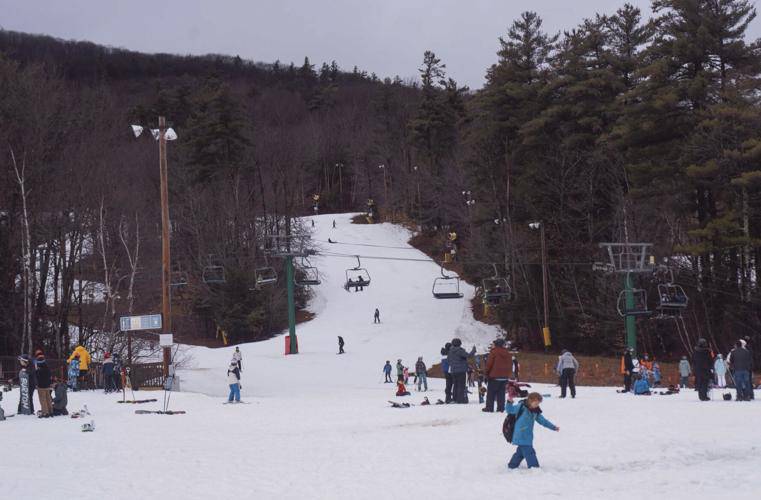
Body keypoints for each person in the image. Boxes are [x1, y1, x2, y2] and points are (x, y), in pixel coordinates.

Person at [505, 392, 559, 469]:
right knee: (529, 452)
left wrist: (553, 427)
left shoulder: (535, 412)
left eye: (538, 404)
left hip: (528, 435)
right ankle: (534, 467)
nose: (537, 405)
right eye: (536, 403)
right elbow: (510, 410)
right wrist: (509, 402)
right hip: (520, 434)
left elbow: (543, 421)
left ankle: (512, 465)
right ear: (530, 401)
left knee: (520, 452)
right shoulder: (521, 407)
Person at [483, 338, 512, 413]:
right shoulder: (508, 353)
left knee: (491, 393)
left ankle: (489, 408)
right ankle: (501, 408)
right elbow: (510, 365)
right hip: (504, 377)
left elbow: (489, 364)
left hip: (494, 376)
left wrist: (486, 373)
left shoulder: (493, 352)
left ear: (496, 344)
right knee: (501, 393)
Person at [447, 338, 476, 404]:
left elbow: (448, 360)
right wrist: (473, 350)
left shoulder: (450, 351)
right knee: (461, 385)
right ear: (459, 343)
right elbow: (469, 356)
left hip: (453, 370)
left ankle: (455, 399)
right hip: (461, 370)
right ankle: (460, 399)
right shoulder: (460, 350)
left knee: (455, 385)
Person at [35, 352, 53, 418]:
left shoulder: (39, 370)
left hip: (41, 386)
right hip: (47, 386)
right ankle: (51, 411)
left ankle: (45, 413)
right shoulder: (48, 368)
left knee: (43, 400)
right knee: (48, 399)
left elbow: (37, 377)